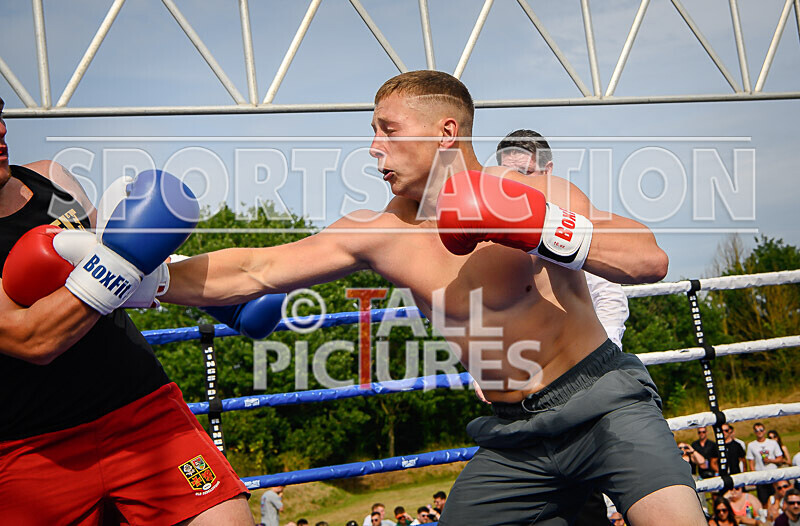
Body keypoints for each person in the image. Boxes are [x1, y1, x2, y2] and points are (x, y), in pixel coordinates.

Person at [163, 70, 704, 525]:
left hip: (603, 405)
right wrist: (135, 276)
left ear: (445, 132)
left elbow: (648, 261)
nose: (374, 147)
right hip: (513, 436)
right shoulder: (380, 233)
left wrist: (535, 226)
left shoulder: (531, 191)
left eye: (389, 130)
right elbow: (258, 267)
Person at [0, 97, 253, 524]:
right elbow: (30, 338)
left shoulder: (50, 178)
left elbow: (129, 258)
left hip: (141, 409)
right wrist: (121, 260)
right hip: (29, 446)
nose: (1, 130)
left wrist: (219, 293)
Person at [497, 128, 630, 525]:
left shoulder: (573, 221)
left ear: (549, 170)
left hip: (582, 380)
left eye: (526, 172)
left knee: (594, 488)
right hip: (524, 390)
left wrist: (594, 362)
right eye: (508, 174)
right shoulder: (496, 228)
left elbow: (610, 297)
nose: (516, 183)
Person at [747, 422, 785, 505]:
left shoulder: (772, 443)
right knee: (763, 501)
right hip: (761, 477)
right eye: (756, 430)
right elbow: (751, 463)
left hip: (773, 475)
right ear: (754, 432)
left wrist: (770, 460)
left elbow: (780, 458)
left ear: (764, 431)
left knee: (777, 499)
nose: (759, 432)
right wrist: (754, 476)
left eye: (761, 430)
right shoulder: (751, 445)